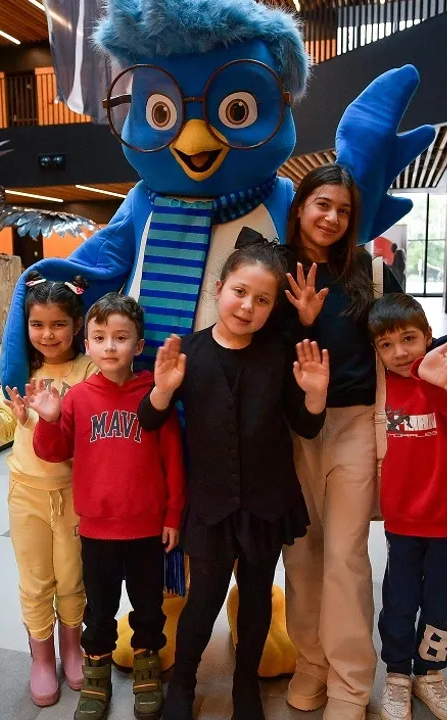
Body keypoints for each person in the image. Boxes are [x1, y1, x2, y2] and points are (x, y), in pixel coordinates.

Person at [280, 163, 447, 720]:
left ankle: (349, 680)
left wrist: (445, 359)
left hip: (356, 423)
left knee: (345, 554)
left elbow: (409, 331)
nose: (332, 218)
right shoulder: (273, 265)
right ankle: (310, 663)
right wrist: (303, 322)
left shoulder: (371, 270)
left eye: (343, 210)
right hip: (292, 428)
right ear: (300, 206)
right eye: (322, 205)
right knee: (301, 553)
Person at [139, 239, 330, 720]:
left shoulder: (279, 354)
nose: (247, 306)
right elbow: (149, 420)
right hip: (211, 503)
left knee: (257, 596)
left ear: (272, 308)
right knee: (203, 599)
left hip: (266, 502)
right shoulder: (189, 352)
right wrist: (162, 390)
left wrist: (314, 396)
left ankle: (246, 684)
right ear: (219, 288)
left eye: (262, 300)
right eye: (240, 292)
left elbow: (306, 427)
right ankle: (184, 683)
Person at [28, 293, 184, 720]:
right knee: (99, 610)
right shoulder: (78, 397)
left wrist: (173, 514)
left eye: (120, 337)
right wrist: (48, 419)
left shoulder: (155, 394)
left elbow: (173, 459)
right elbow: (52, 452)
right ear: (88, 343)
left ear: (138, 344)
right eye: (99, 338)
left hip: (147, 529)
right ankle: (96, 671)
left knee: (149, 607)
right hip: (97, 530)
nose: (109, 346)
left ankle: (147, 665)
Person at [0, 272, 96, 708]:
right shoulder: (20, 372)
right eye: (37, 325)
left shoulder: (87, 371)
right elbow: (5, 426)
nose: (48, 334)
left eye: (58, 324)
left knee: (72, 576)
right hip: (26, 493)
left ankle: (73, 647)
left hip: (73, 493)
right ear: (24, 326)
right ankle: (42, 657)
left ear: (77, 325)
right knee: (35, 580)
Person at [368, 294, 447, 720]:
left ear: (429, 337)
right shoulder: (381, 389)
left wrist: (427, 372)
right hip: (402, 521)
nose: (399, 352)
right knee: (398, 602)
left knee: (439, 605)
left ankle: (430, 675)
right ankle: (397, 676)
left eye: (409, 339)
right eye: (386, 344)